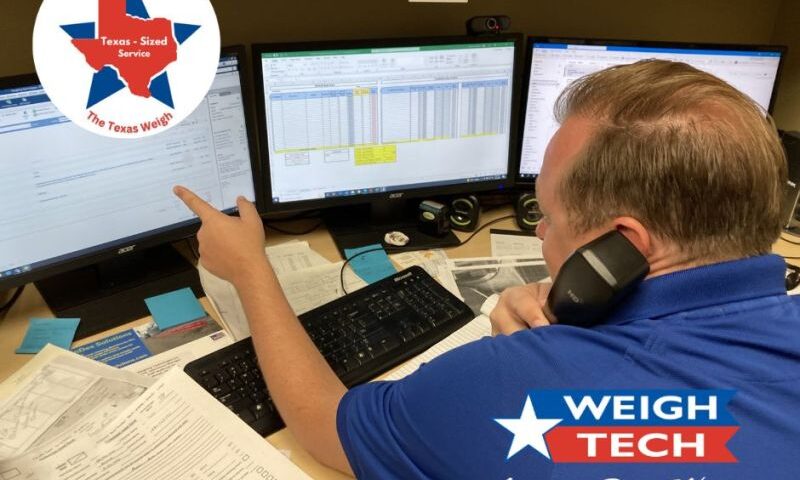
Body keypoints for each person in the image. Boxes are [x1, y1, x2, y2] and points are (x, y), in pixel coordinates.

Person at [174, 59, 800, 479]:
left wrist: (251, 269)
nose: (538, 230)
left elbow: (324, 425)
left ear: (621, 245)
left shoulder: (512, 386)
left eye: (549, 215)